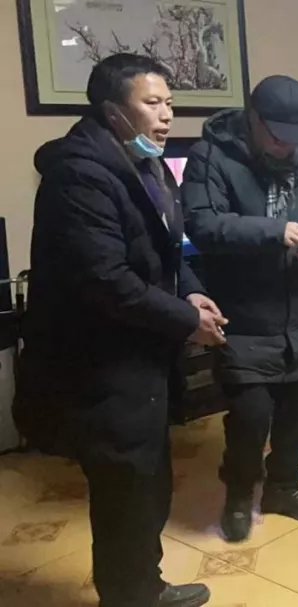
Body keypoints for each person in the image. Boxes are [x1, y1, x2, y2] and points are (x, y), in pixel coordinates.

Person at [15, 53, 223, 607]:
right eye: (152, 103)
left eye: (170, 103)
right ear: (113, 111)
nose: (167, 115)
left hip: (141, 358)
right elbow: (106, 280)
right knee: (125, 494)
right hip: (100, 367)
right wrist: (187, 322)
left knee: (146, 485)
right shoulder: (79, 175)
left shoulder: (146, 163)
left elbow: (165, 253)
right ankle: (130, 594)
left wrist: (189, 291)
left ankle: (144, 585)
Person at [181, 75, 298, 542]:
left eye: (296, 137)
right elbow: (203, 225)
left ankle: (284, 487)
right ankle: (238, 495)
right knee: (250, 416)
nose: (287, 147)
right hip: (245, 312)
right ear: (254, 119)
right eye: (278, 137)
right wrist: (273, 231)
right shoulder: (211, 155)